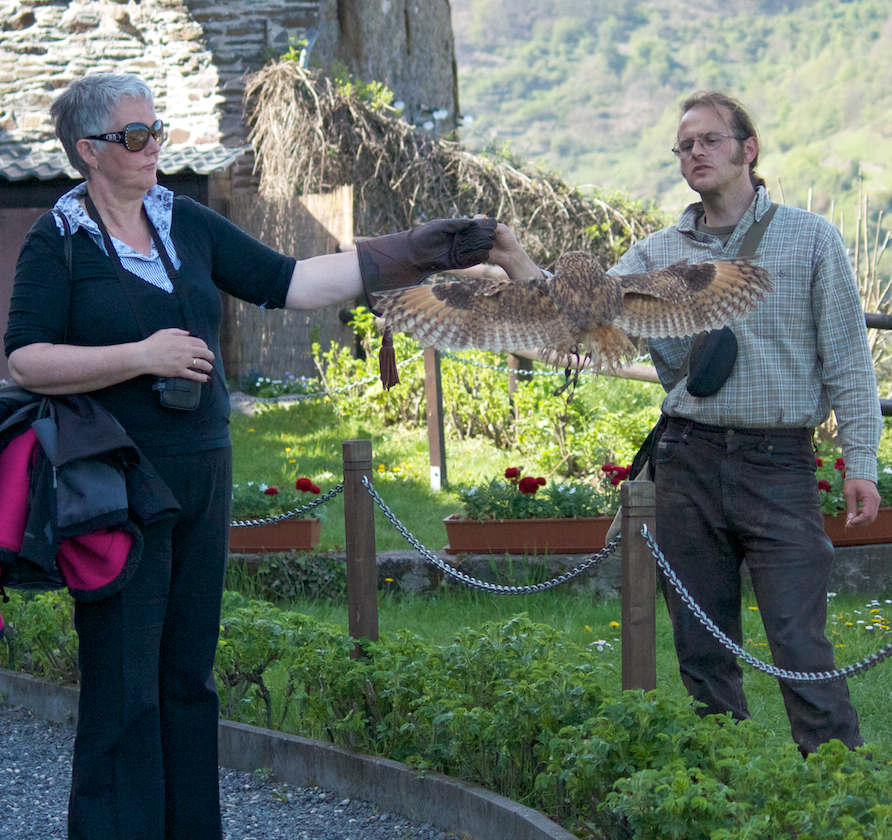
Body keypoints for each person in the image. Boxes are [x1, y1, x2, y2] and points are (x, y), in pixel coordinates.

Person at [4, 72, 499, 840]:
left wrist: (419, 250)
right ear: (88, 151)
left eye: (156, 130)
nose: (153, 146)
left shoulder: (186, 221)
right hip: (115, 486)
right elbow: (26, 360)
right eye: (134, 136)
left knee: (188, 678)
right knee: (124, 683)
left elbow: (292, 282)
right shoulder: (59, 239)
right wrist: (141, 355)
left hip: (203, 470)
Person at [606, 91, 882, 754]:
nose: (695, 153)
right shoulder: (655, 253)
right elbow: (583, 307)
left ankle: (840, 786)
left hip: (778, 463)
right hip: (687, 460)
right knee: (701, 646)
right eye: (684, 145)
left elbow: (849, 358)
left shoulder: (810, 239)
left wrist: (863, 464)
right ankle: (722, 781)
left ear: (747, 149)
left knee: (799, 640)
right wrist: (514, 263)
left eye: (709, 140)